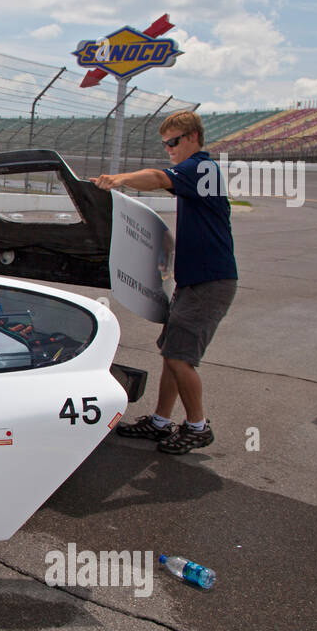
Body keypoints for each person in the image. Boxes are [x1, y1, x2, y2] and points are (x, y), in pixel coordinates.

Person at [92, 110, 238, 454]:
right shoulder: (199, 175)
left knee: (180, 357)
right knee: (172, 353)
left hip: (209, 281)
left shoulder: (200, 167)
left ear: (191, 137)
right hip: (198, 280)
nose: (169, 149)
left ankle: (198, 426)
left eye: (173, 142)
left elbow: (157, 178)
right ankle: (160, 421)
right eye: (165, 144)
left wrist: (119, 179)